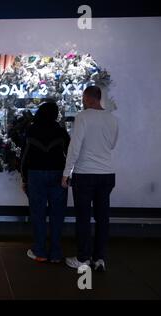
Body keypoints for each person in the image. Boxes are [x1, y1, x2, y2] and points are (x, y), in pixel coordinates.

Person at [62, 86, 119, 272]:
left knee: (84, 218)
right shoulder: (113, 119)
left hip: (85, 174)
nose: (82, 102)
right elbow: (111, 144)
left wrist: (66, 172)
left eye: (83, 99)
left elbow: (75, 146)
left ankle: (83, 258)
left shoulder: (83, 117)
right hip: (107, 174)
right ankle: (100, 258)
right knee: (103, 218)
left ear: (88, 98)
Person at [21, 102, 70, 263]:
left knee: (38, 214)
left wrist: (24, 179)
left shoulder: (31, 130)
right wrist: (67, 175)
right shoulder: (61, 131)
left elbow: (24, 157)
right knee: (57, 215)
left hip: (35, 175)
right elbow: (70, 155)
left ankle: (40, 251)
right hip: (58, 175)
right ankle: (56, 253)